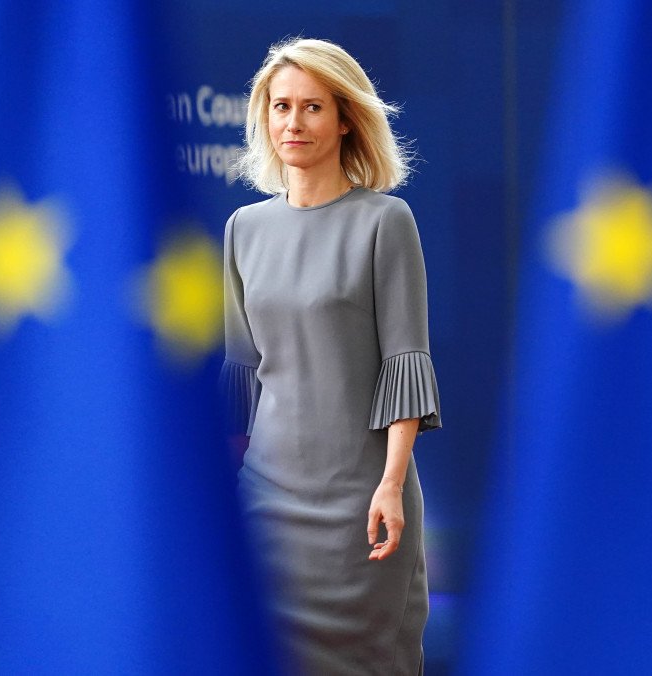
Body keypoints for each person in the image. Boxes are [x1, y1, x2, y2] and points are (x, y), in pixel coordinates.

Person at [221, 37, 441, 675]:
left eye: (313, 107)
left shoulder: (385, 221)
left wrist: (392, 487)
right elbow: (243, 378)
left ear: (346, 119)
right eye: (281, 106)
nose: (293, 123)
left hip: (365, 504)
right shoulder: (243, 229)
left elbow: (406, 367)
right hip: (266, 501)